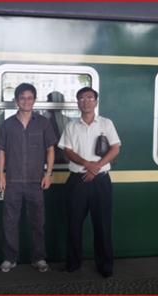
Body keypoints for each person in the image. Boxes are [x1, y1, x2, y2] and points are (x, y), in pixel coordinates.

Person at [58, 87, 120, 278]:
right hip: (77, 181)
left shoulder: (106, 124)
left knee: (102, 225)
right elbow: (67, 151)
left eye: (90, 98)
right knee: (73, 224)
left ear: (96, 101)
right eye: (82, 98)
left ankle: (105, 266)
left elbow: (115, 148)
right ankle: (73, 263)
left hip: (101, 181)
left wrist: (97, 166)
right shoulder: (71, 126)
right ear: (78, 102)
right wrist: (86, 164)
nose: (86, 101)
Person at [0, 83, 57, 273]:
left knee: (38, 222)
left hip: (35, 181)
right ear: (16, 101)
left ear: (34, 100)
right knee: (10, 222)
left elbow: (50, 150)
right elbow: (2, 151)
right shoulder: (7, 124)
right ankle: (9, 258)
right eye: (22, 97)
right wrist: (1, 175)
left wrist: (48, 174)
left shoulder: (43, 123)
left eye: (30, 97)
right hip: (12, 181)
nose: (26, 101)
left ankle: (39, 258)